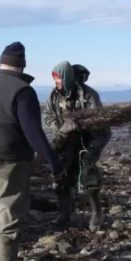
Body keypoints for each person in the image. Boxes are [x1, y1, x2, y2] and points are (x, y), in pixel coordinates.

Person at [0, 41, 64, 261]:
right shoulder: (23, 91)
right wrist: (53, 162)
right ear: (22, 66)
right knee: (10, 210)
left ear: (1, 63)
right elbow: (33, 131)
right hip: (9, 159)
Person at [44, 62, 111, 232]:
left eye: (58, 78)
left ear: (67, 77)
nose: (56, 82)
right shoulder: (54, 95)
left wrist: (79, 124)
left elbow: (98, 120)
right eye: (55, 79)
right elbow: (48, 115)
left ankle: (96, 213)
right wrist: (60, 128)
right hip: (66, 139)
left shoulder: (88, 95)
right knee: (61, 174)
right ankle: (64, 214)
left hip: (91, 139)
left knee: (87, 173)